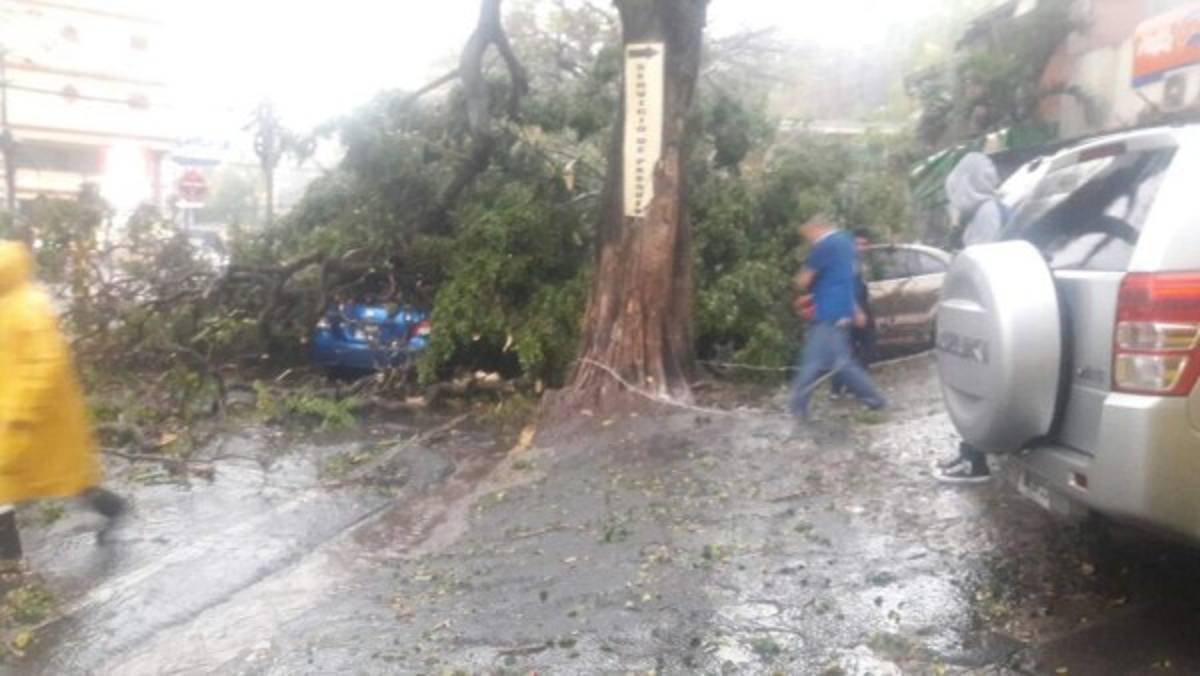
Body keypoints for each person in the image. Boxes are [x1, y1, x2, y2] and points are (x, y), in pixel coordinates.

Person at [0, 241, 127, 567]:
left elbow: (45, 362)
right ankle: (113, 508)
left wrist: (21, 413)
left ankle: (9, 568)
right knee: (57, 479)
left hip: (35, 418)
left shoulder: (28, 307)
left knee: (61, 479)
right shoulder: (8, 304)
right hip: (18, 415)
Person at [934, 152, 1006, 483]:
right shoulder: (982, 212)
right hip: (980, 311)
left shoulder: (988, 214)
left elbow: (980, 268)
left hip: (987, 313)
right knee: (970, 381)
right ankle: (970, 453)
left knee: (978, 383)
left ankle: (975, 460)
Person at [789, 214, 887, 423]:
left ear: (816, 229)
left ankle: (797, 406)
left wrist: (804, 284)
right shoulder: (846, 243)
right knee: (841, 363)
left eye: (808, 234)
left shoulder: (823, 247)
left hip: (826, 313)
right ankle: (875, 400)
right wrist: (855, 310)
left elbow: (803, 281)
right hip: (841, 311)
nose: (809, 239)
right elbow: (848, 280)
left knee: (813, 361)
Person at [831, 229, 876, 400]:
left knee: (851, 349)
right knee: (861, 346)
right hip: (851, 311)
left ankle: (845, 388)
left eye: (864, 244)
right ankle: (843, 387)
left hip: (856, 309)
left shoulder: (858, 262)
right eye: (857, 244)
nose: (860, 247)